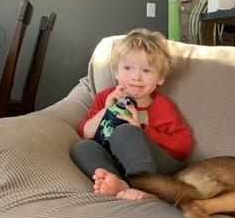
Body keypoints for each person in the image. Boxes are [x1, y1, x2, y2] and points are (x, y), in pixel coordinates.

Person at [71, 28, 193, 200]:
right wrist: (105, 110)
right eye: (128, 68)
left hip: (158, 168)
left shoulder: (162, 105)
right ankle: (120, 185)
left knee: (126, 131)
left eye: (146, 71)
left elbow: (184, 146)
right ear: (116, 72)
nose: (137, 77)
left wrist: (142, 131)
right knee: (82, 147)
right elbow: (85, 133)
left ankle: (145, 186)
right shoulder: (105, 97)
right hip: (119, 164)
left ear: (160, 78)